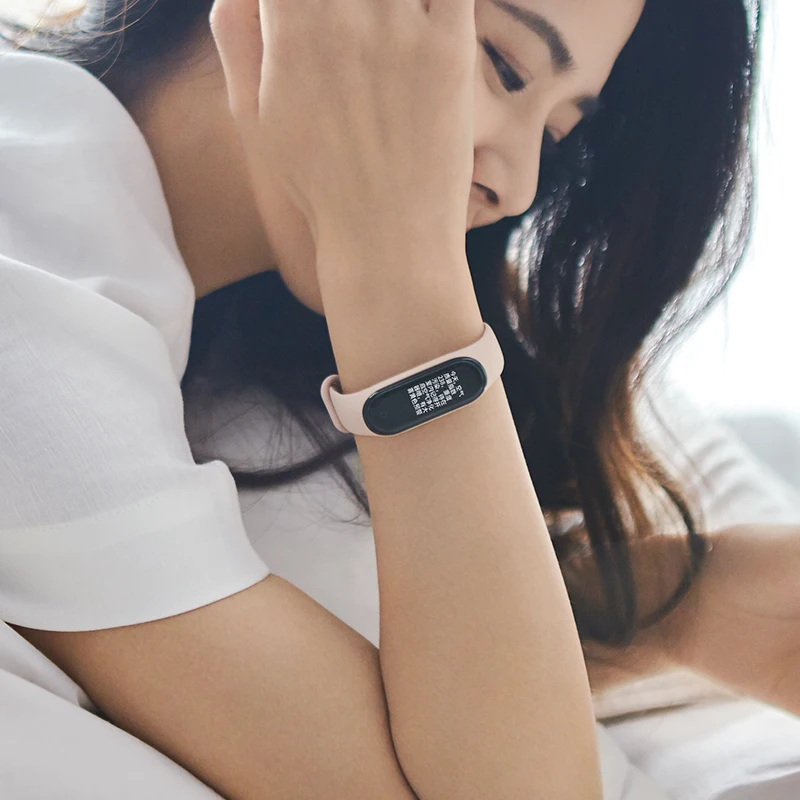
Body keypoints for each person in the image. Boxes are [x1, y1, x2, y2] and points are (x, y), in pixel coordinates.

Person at [2, 0, 798, 798]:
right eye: (505, 67)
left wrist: (676, 602)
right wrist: (399, 269)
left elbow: (444, 731)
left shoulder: (161, 305)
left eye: (556, 136)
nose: (518, 187)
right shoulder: (28, 257)